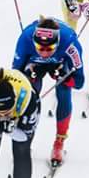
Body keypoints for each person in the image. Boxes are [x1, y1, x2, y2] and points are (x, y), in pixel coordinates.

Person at [12, 17, 85, 166]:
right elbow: (15, 76)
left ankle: (59, 141)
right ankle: (25, 140)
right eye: (40, 48)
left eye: (49, 49)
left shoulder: (70, 44)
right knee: (29, 94)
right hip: (34, 65)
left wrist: (65, 79)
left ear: (57, 44)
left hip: (60, 64)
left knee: (64, 91)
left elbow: (79, 82)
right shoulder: (25, 39)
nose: (45, 53)